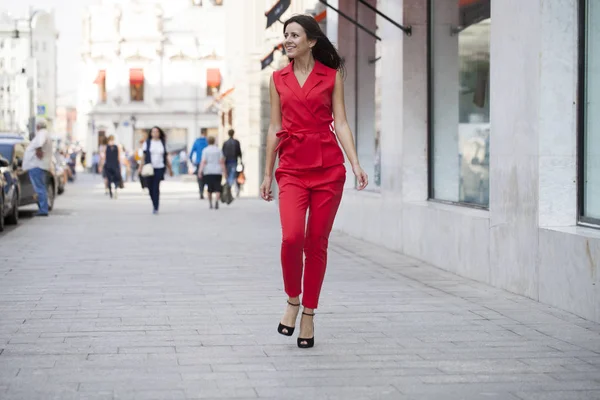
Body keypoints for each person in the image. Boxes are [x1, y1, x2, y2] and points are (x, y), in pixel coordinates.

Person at [260, 15, 368, 349]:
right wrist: (267, 173)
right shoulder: (277, 79)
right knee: (292, 238)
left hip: (327, 168)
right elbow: (274, 128)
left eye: (294, 35)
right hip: (291, 167)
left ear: (311, 41)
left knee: (316, 242)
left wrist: (356, 162)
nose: (288, 40)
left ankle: (308, 313)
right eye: (285, 35)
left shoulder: (332, 76)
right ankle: (293, 299)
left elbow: (343, 123)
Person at [22, 117, 54, 216]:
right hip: (39, 165)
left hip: (36, 165)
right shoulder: (45, 133)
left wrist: (38, 149)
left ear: (37, 126)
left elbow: (39, 143)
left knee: (40, 188)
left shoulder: (42, 133)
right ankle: (43, 209)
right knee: (41, 188)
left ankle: (43, 210)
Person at [138, 126, 173, 214]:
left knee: (156, 187)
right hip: (149, 167)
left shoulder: (163, 143)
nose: (155, 133)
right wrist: (140, 167)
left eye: (157, 132)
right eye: (153, 132)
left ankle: (156, 206)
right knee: (150, 187)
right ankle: (154, 202)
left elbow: (166, 156)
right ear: (151, 133)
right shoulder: (148, 143)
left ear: (159, 133)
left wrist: (170, 169)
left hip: (160, 167)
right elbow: (144, 156)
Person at [197, 136, 227, 210]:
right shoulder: (218, 150)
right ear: (214, 141)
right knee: (217, 187)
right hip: (217, 171)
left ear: (208, 142)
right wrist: (225, 171)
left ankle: (210, 202)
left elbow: (203, 162)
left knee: (209, 188)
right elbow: (222, 162)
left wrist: (200, 171)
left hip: (208, 171)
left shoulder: (205, 150)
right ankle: (216, 201)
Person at [222, 129, 242, 196]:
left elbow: (223, 153)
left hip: (227, 161)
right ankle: (229, 187)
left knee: (229, 175)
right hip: (233, 160)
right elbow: (239, 153)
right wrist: (240, 161)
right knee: (233, 175)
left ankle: (229, 187)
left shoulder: (225, 143)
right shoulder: (236, 142)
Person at [189, 130, 208, 199]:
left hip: (199, 162)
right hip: (206, 162)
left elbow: (191, 153)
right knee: (206, 177)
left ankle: (201, 191)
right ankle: (204, 189)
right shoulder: (207, 141)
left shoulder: (197, 141)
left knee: (199, 178)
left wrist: (191, 161)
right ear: (205, 134)